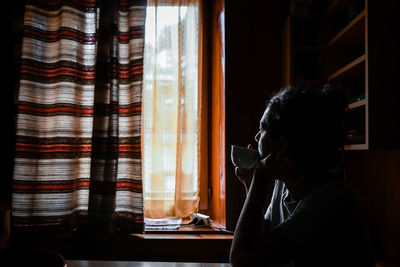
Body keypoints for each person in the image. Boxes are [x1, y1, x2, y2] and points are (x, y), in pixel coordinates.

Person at [229, 84, 375, 267]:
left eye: (262, 130)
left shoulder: (331, 200)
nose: (257, 138)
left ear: (281, 146)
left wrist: (260, 178)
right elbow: (262, 238)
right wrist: (250, 185)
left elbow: (242, 261)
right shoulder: (284, 184)